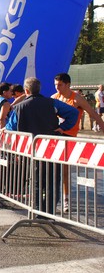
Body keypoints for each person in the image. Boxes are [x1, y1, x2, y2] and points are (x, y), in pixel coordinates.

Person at [6, 77, 78, 215]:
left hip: (30, 149)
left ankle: (37, 211)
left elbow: (11, 128)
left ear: (26, 91)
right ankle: (49, 212)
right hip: (51, 147)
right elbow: (73, 113)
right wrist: (63, 128)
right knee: (52, 180)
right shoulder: (52, 103)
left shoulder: (18, 108)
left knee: (37, 181)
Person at [51, 73, 104, 211]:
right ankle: (50, 197)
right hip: (54, 137)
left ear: (68, 85)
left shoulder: (77, 99)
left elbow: (92, 113)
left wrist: (103, 128)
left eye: (60, 85)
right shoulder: (54, 98)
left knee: (65, 169)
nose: (57, 88)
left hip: (69, 137)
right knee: (52, 169)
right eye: (55, 85)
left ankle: (66, 198)